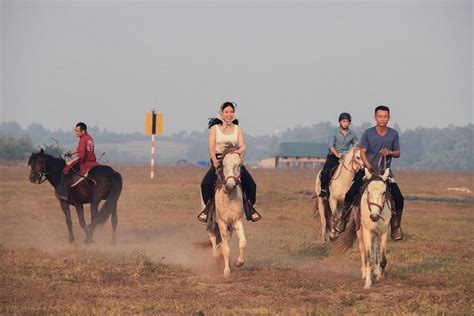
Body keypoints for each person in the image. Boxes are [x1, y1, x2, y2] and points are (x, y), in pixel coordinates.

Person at [333, 105, 405, 241]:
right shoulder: (368, 133)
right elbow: (362, 152)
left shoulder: (393, 134)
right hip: (367, 170)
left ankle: (396, 226)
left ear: (388, 118)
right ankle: (342, 219)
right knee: (351, 192)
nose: (382, 119)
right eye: (380, 116)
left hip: (385, 172)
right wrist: (369, 167)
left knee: (399, 198)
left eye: (385, 117)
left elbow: (398, 153)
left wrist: (389, 152)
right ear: (375, 117)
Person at [197, 102, 261, 223]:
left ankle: (249, 208)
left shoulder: (238, 129)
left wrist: (240, 160)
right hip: (220, 161)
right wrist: (215, 161)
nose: (229, 114)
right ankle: (208, 209)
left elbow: (242, 146)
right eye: (226, 112)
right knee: (205, 184)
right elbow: (211, 146)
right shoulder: (215, 129)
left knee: (251, 185)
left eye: (231, 112)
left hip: (234, 161)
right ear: (222, 113)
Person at [319, 112, 358, 200]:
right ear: (340, 122)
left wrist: (351, 152)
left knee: (358, 172)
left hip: (346, 157)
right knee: (326, 171)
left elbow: (356, 145)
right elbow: (331, 146)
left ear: (349, 123)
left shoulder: (352, 134)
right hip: (333, 155)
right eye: (343, 121)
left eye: (347, 121)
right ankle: (324, 190)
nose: (345, 123)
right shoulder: (334, 132)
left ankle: (355, 191)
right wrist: (337, 154)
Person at [55, 122, 98, 200]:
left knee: (65, 170)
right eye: (75, 130)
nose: (75, 132)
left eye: (77, 131)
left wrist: (70, 162)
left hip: (86, 162)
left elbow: (81, 156)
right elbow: (80, 149)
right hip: (93, 161)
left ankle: (64, 193)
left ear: (83, 131)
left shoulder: (83, 139)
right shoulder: (88, 137)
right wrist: (70, 153)